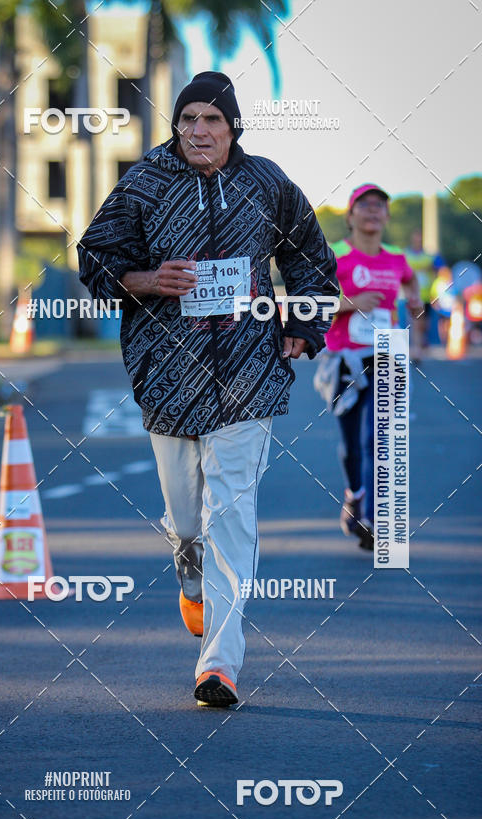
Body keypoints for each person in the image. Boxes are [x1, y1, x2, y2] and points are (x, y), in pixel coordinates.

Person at [78, 71, 339, 707]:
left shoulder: (266, 183)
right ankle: (190, 579)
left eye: (212, 120)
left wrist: (303, 326)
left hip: (248, 372)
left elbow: (309, 254)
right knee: (188, 521)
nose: (199, 130)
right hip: (165, 371)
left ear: (233, 128)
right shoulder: (146, 183)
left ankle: (218, 662)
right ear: (176, 124)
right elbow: (95, 259)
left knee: (233, 516)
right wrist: (147, 279)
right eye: (188, 118)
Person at [319, 184, 422, 550]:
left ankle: (374, 519)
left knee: (379, 437)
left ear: (387, 216)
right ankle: (354, 494)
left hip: (388, 355)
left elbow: (411, 283)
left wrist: (415, 303)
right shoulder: (336, 256)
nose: (373, 211)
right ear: (350, 215)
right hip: (345, 359)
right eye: (365, 205)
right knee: (351, 444)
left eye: (380, 205)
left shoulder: (396, 257)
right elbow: (314, 304)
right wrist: (352, 302)